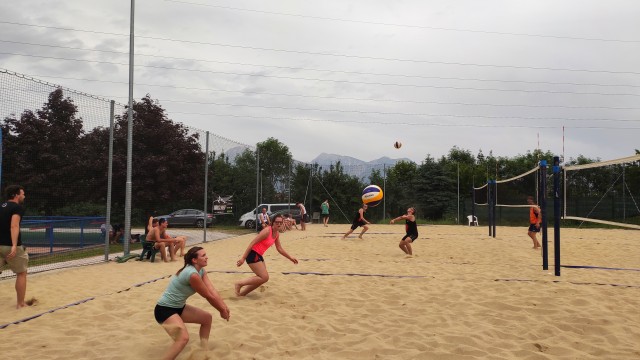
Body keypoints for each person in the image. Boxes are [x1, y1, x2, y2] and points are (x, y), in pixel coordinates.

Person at [154, 246, 230, 360]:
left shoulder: (201, 271)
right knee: (183, 339)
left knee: (207, 318)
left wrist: (224, 307)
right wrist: (221, 310)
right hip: (164, 310)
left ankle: (204, 351)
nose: (207, 257)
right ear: (194, 260)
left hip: (178, 308)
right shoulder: (192, 274)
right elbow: (208, 296)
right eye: (203, 255)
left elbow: (212, 290)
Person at [235, 214, 298, 297]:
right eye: (276, 222)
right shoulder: (267, 231)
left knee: (261, 279)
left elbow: (279, 248)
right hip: (252, 254)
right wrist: (243, 258)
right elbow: (252, 243)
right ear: (272, 222)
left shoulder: (276, 233)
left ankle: (242, 294)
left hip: (259, 255)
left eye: (280, 222)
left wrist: (290, 258)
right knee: (264, 277)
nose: (279, 224)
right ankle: (239, 283)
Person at [0, 185, 29, 309]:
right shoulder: (17, 208)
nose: (24, 196)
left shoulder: (1, 206)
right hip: (10, 245)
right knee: (21, 273)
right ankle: (20, 304)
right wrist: (13, 245)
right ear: (16, 195)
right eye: (22, 193)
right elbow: (14, 226)